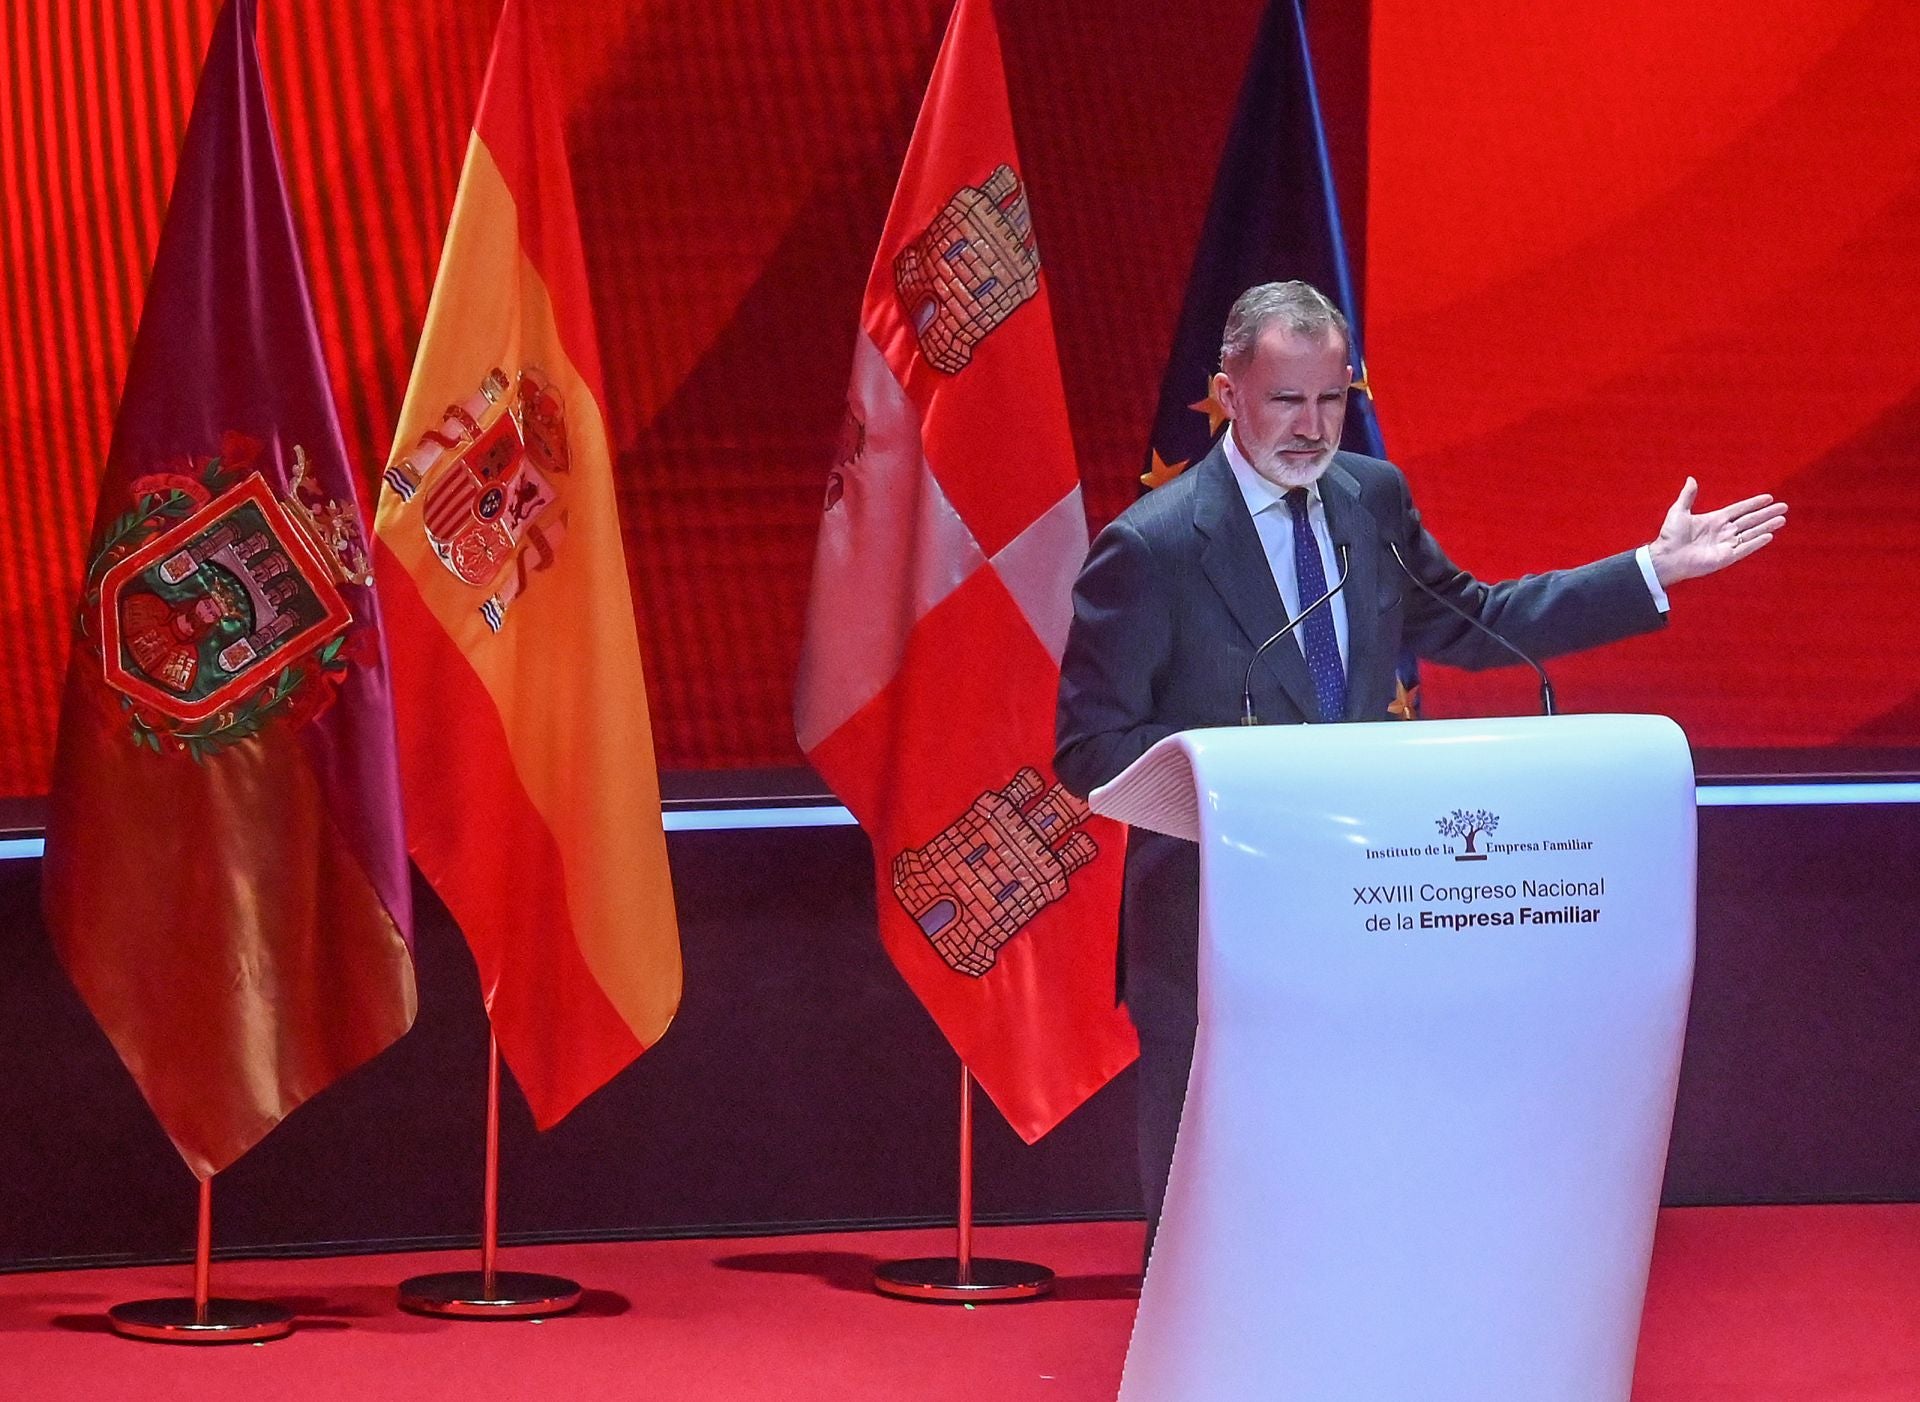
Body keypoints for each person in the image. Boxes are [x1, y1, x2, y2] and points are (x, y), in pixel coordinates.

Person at [1053, 280, 1787, 1255]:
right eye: (1286, 400)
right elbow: (1088, 749)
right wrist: (1235, 805)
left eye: (1333, 397)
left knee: (1350, 1180)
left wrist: (1649, 571)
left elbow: (1477, 622)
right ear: (1229, 393)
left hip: (1363, 908)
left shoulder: (1371, 499)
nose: (1314, 428)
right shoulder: (1153, 549)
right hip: (1210, 919)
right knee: (1214, 1205)